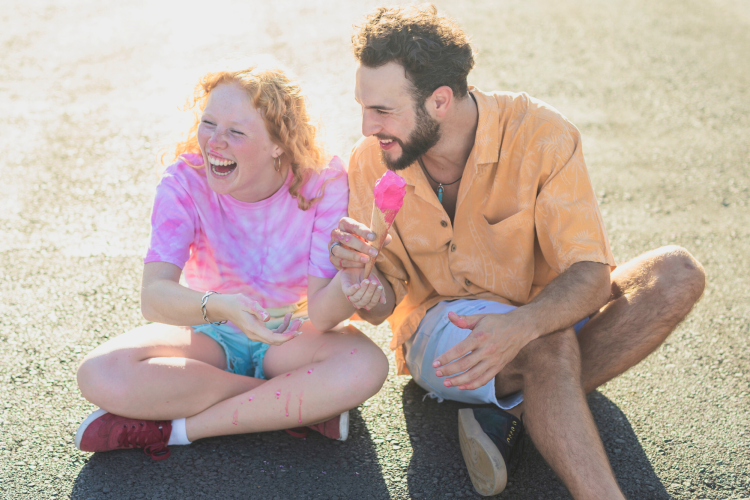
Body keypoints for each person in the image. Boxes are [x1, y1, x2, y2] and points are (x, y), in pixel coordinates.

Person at [329, 5, 706, 499]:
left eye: (381, 110)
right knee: (549, 347)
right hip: (443, 330)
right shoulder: (370, 162)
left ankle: (511, 409)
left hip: (540, 310)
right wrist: (360, 280)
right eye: (363, 106)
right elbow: (379, 308)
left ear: (440, 101)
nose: (366, 126)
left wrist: (524, 323)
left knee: (677, 273)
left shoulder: (542, 134)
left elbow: (590, 275)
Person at [74, 60, 389, 461]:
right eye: (208, 124)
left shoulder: (322, 181)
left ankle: (180, 430)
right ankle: (295, 406)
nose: (214, 143)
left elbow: (324, 318)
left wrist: (349, 282)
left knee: (365, 367)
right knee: (100, 372)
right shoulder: (184, 180)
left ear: (277, 142)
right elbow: (154, 297)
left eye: (236, 132)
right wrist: (221, 305)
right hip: (212, 330)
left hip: (290, 335)